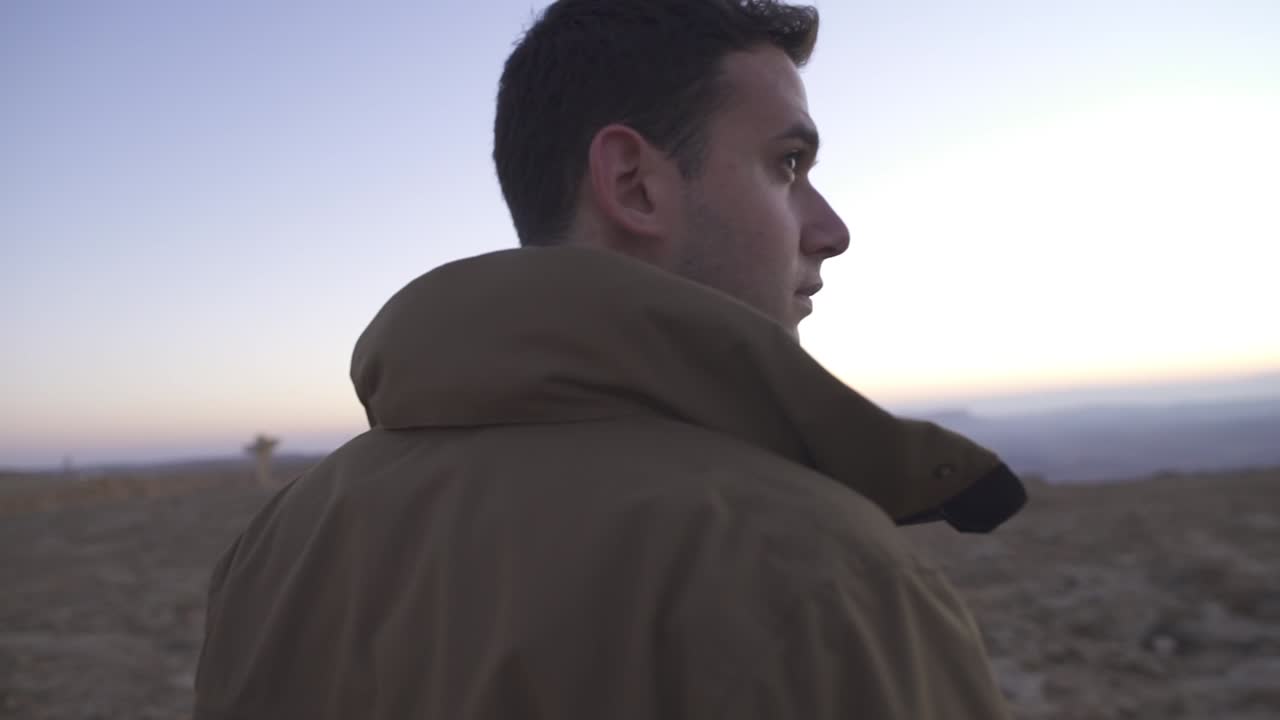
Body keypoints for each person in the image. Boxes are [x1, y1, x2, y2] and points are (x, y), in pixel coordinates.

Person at [194, 1, 1026, 718]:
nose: (831, 229)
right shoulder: (825, 577)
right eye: (788, 165)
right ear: (633, 183)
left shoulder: (284, 541)